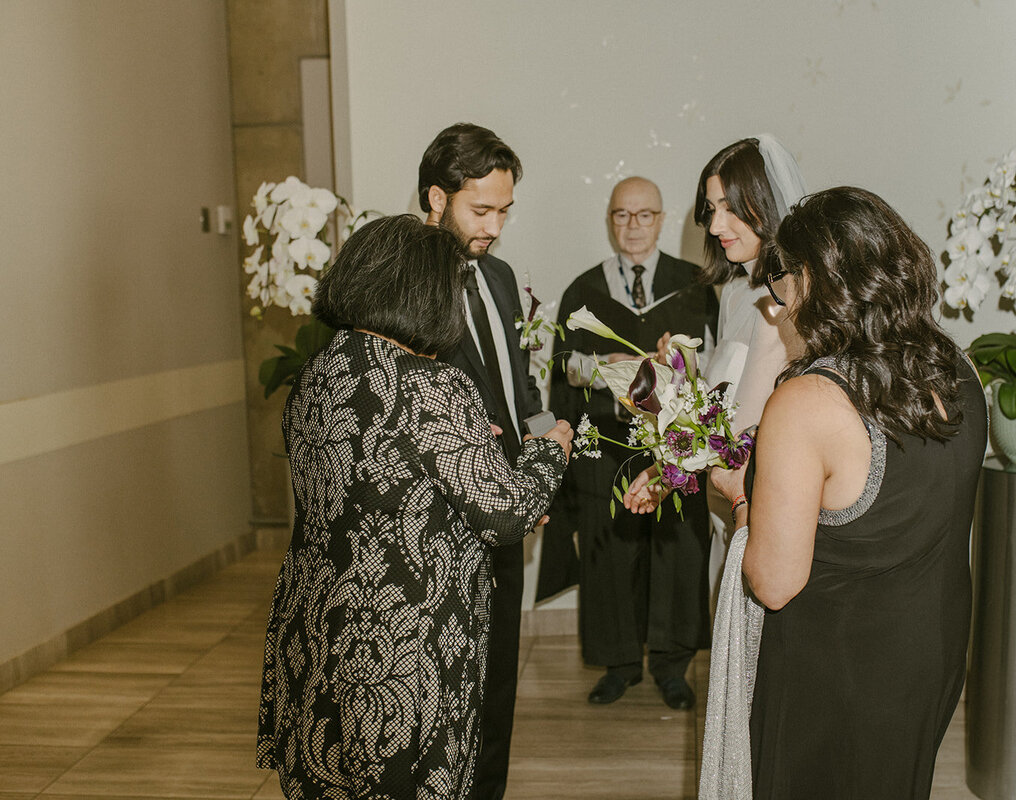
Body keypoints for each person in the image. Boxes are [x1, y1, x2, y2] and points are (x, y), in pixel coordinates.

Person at [256, 215, 573, 798]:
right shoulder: (429, 385)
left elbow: (377, 492)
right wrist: (549, 453)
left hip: (317, 629)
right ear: (424, 293)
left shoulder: (315, 375)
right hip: (404, 646)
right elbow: (507, 515)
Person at [701, 187, 988, 799]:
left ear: (813, 282)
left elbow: (773, 583)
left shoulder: (807, 401)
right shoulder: (956, 368)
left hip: (836, 672)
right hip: (928, 656)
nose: (777, 312)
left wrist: (742, 496)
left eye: (780, 292)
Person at [536, 177, 718, 709]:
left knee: (677, 551)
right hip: (606, 445)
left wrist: (678, 366)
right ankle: (618, 664)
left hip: (673, 450)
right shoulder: (582, 290)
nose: (632, 226)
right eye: (621, 215)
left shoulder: (693, 286)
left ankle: (671, 665)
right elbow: (563, 368)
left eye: (643, 215)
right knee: (608, 555)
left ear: (661, 220)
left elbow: (718, 367)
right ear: (609, 219)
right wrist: (600, 368)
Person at [628, 136, 808, 603]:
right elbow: (721, 407)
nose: (715, 226)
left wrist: (668, 474)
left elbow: (748, 425)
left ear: (765, 202)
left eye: (730, 208)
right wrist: (683, 374)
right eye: (711, 210)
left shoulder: (790, 301)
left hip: (762, 501)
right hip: (720, 502)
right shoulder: (733, 291)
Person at [418, 123, 541, 800]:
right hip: (440, 528)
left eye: (504, 211)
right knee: (440, 690)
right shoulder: (403, 283)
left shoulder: (496, 274)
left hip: (503, 513)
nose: (494, 227)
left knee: (496, 682)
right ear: (436, 198)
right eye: (481, 210)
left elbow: (512, 387)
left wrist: (531, 474)